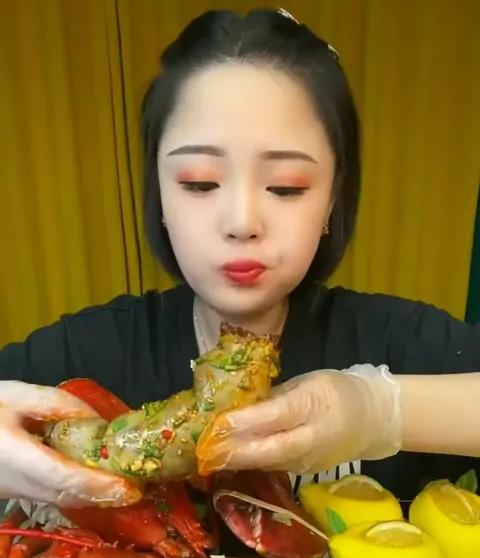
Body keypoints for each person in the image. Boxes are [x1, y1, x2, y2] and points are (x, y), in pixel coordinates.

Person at [1, 7, 480, 510]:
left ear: (332, 198)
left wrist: (382, 411)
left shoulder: (398, 340)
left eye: (286, 187)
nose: (241, 221)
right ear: (159, 193)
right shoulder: (89, 351)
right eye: (199, 183)